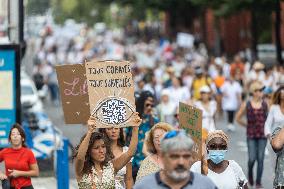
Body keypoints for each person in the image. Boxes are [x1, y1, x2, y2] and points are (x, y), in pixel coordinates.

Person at [74, 113, 142, 189]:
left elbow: (130, 153)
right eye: (96, 148)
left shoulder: (111, 166)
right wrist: (90, 131)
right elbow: (80, 157)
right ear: (88, 151)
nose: (101, 151)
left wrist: (135, 128)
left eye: (103, 147)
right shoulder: (82, 170)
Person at [133, 130, 217, 189]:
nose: (181, 162)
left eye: (186, 156)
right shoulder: (144, 186)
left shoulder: (206, 185)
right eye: (174, 156)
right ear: (162, 156)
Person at [236, 81, 268, 188]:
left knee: (261, 159)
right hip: (251, 135)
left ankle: (258, 182)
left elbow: (268, 118)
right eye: (258, 90)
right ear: (253, 92)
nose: (260, 92)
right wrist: (246, 125)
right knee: (252, 158)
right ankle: (250, 174)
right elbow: (238, 117)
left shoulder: (265, 104)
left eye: (261, 90)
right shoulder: (247, 104)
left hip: (262, 135)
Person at [125, 91, 159, 180]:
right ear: (141, 103)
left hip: (146, 161)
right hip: (131, 160)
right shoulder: (132, 118)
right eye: (147, 105)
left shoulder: (154, 120)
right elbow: (123, 136)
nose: (149, 107)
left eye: (152, 105)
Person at [0, 123, 39, 189]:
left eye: (18, 134)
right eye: (13, 134)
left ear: (22, 138)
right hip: (10, 187)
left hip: (26, 187)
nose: (15, 136)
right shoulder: (4, 152)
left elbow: (36, 172)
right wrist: (0, 174)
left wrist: (19, 173)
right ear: (10, 139)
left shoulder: (28, 152)